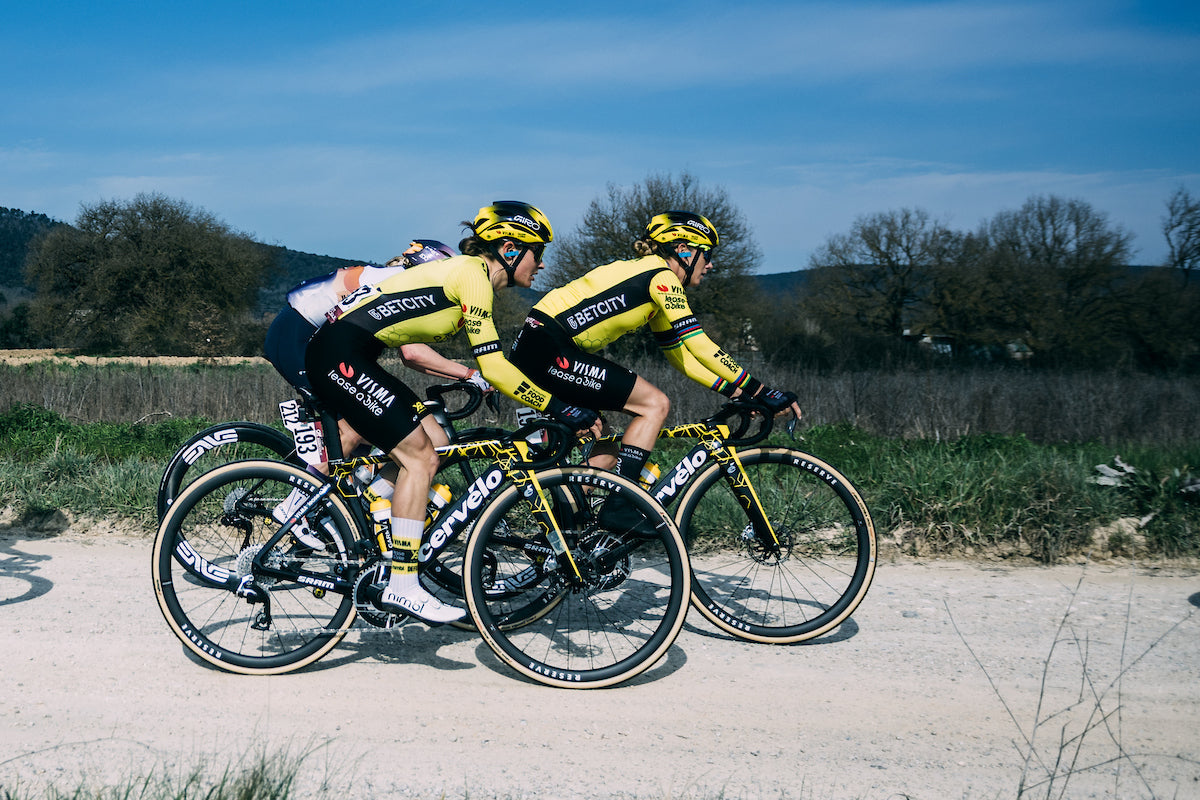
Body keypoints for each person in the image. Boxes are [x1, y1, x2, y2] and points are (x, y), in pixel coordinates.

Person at [304, 202, 598, 624]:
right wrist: (560, 407)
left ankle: (375, 526)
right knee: (419, 457)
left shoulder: (466, 275)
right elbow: (494, 366)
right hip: (340, 354)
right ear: (511, 249)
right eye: (538, 252)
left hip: (352, 353)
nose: (543, 264)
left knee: (435, 444)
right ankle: (402, 585)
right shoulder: (470, 275)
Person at [508, 211, 802, 533]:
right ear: (685, 251)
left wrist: (737, 393)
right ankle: (621, 506)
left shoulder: (650, 278)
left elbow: (683, 357)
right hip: (550, 348)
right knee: (654, 404)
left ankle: (568, 530)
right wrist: (762, 391)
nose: (711, 265)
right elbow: (701, 344)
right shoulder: (662, 279)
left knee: (600, 439)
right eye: (708, 255)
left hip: (541, 348)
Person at [264, 240, 491, 549]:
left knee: (436, 440)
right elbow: (412, 354)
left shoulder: (399, 283)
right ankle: (294, 507)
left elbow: (410, 355)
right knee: (353, 426)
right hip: (298, 339)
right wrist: (470, 374)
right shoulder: (391, 281)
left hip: (339, 354)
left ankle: (369, 498)